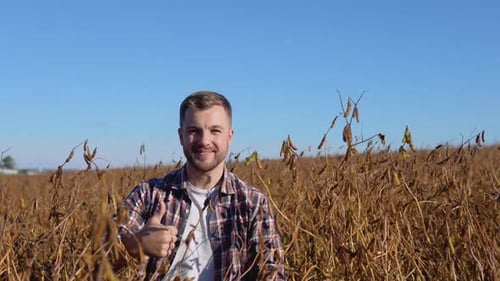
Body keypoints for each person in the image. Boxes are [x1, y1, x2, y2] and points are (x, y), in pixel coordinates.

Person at [115, 91, 285, 281]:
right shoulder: (149, 194)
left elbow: (273, 271)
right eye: (193, 131)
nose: (204, 141)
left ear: (230, 137)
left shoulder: (253, 202)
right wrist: (134, 244)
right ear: (181, 136)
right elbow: (98, 257)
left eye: (215, 131)